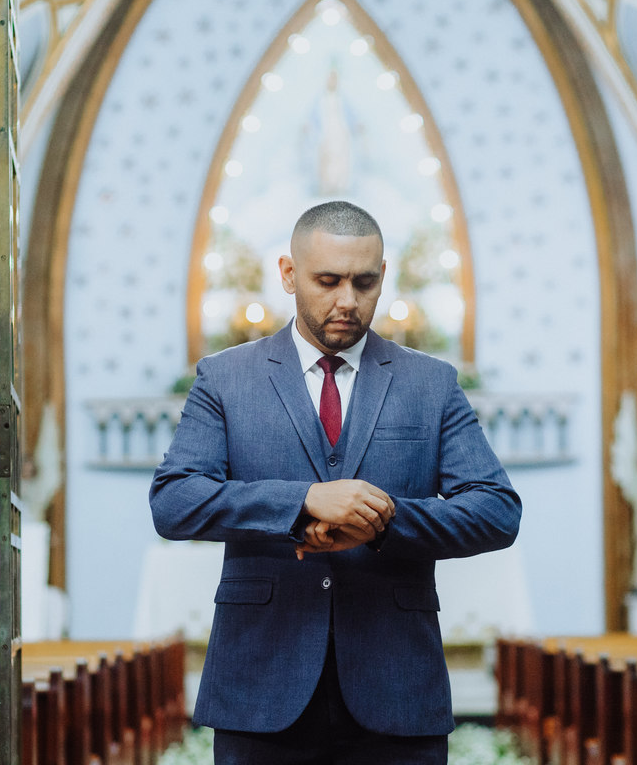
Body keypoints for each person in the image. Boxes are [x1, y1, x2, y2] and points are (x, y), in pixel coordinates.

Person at [149, 200, 521, 764]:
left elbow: (497, 510)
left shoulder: (432, 384)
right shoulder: (225, 379)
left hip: (397, 690)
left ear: (382, 278)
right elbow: (173, 501)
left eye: (364, 282)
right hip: (261, 690)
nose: (348, 300)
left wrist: (383, 519)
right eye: (328, 280)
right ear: (289, 274)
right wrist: (302, 501)